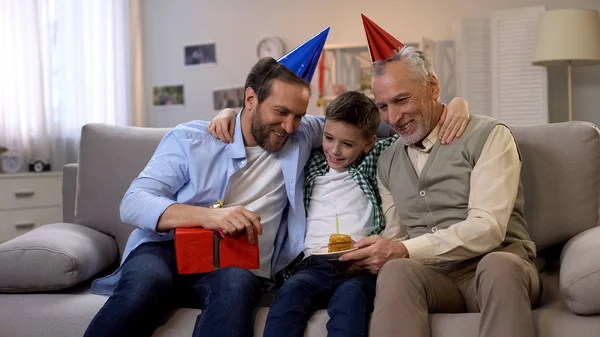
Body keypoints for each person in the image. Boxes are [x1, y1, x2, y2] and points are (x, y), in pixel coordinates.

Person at [83, 28, 331, 337]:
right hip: (166, 251)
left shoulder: (303, 134)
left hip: (235, 264)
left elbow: (361, 124)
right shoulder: (192, 139)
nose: (290, 126)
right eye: (280, 112)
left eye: (299, 115)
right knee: (145, 284)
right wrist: (210, 217)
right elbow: (133, 202)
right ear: (251, 99)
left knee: (237, 284)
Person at [338, 15, 542, 337]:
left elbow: (488, 229)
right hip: (436, 279)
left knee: (498, 265)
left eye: (402, 100)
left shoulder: (489, 135)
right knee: (396, 271)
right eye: (383, 106)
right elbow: (398, 235)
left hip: (498, 267)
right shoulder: (387, 159)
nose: (393, 117)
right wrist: (372, 254)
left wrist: (405, 250)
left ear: (433, 87)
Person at [263, 91, 467, 337]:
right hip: (313, 264)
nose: (335, 151)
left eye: (347, 144)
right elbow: (285, 129)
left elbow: (412, 134)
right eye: (328, 138)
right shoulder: (312, 161)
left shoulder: (374, 159)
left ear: (368, 143)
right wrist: (229, 113)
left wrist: (457, 104)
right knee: (290, 294)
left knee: (350, 300)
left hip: (360, 265)